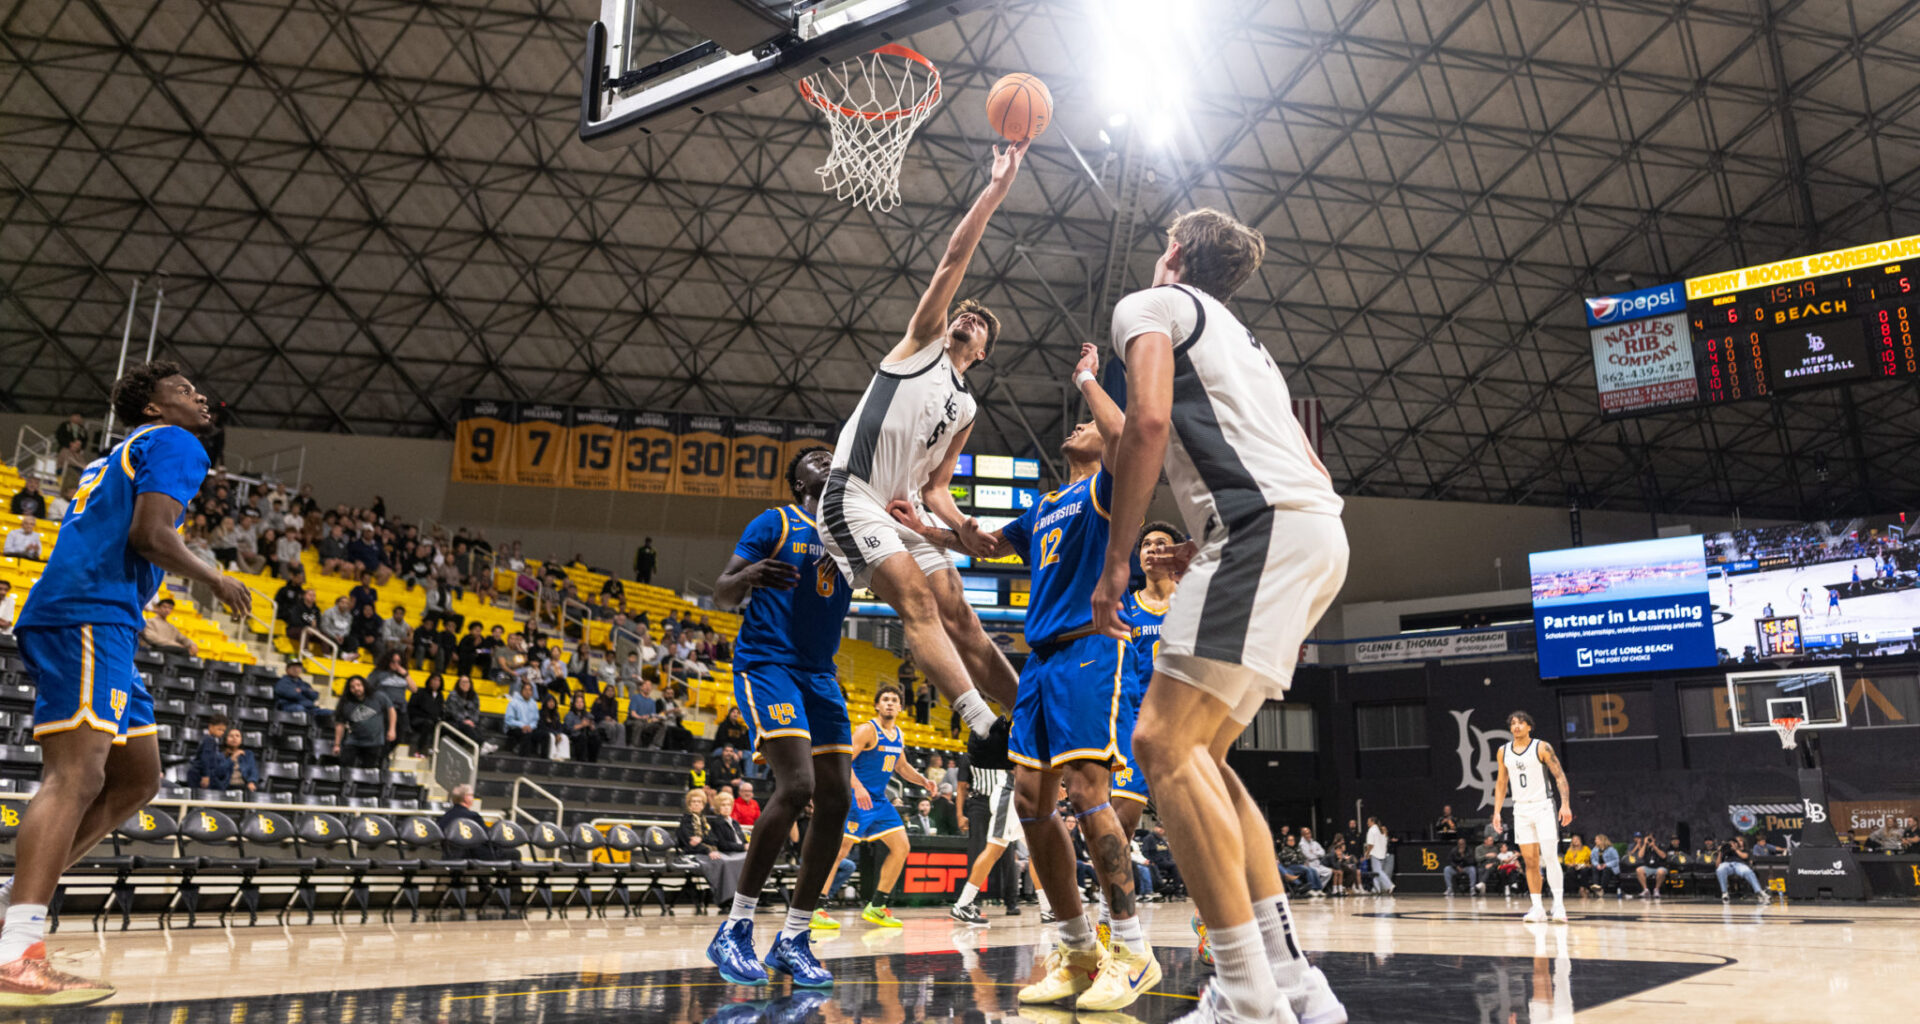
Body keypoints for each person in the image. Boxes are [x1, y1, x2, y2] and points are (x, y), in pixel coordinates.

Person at [1092, 208, 1349, 1024]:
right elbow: (1278, 457)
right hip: (1309, 535)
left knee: (1160, 743)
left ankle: (1245, 995)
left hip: (1261, 531)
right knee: (1204, 753)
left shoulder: (1150, 305)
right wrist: (1206, 545)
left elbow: (1149, 425)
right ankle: (1293, 981)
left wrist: (1117, 566)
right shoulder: (1246, 344)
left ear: (1172, 252)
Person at [898, 347, 1155, 1012]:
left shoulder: (1105, 487)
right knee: (1031, 802)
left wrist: (1090, 380)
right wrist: (927, 522)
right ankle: (1076, 950)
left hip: (1091, 649)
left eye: (1085, 424)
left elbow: (1127, 435)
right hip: (1040, 662)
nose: (1075, 428)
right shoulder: (1046, 505)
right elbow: (983, 545)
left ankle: (1130, 949)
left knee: (1088, 791)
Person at [0, 362, 249, 1006]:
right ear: (152, 410)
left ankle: (10, 911)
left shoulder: (128, 452)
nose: (197, 393)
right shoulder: (174, 442)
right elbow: (151, 536)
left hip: (107, 620)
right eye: (180, 390)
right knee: (76, 778)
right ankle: (17, 950)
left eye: (197, 386)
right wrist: (214, 578)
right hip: (88, 612)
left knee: (138, 778)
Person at [815, 143, 1028, 759]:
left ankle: (1033, 720)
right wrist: (994, 191)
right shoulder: (922, 344)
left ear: (983, 352)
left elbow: (937, 487)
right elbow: (952, 261)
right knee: (914, 598)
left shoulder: (967, 407)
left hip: (904, 510)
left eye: (980, 323)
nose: (968, 319)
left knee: (962, 616)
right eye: (966, 314)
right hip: (853, 494)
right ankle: (981, 725)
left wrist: (961, 527)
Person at [703, 446, 861, 983]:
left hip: (820, 673)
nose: (825, 457)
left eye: (828, 452)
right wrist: (749, 575)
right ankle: (735, 925)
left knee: (836, 799)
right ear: (798, 482)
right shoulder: (776, 521)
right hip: (768, 664)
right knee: (797, 785)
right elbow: (721, 594)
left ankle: (793, 935)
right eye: (813, 457)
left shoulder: (851, 531)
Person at [823, 687, 934, 929]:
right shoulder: (866, 730)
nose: (890, 704)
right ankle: (816, 907)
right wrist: (858, 787)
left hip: (879, 802)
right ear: (876, 705)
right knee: (840, 851)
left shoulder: (899, 735)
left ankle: (876, 906)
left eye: (895, 700)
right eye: (885, 699)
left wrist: (923, 781)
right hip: (856, 797)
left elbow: (902, 767)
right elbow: (843, 761)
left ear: (901, 708)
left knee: (902, 847)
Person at [1113, 522, 1182, 836]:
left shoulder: (1193, 603)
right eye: (1146, 544)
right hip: (1136, 722)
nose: (1152, 549)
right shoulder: (1125, 604)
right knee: (1121, 820)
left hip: (1184, 722)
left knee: (1190, 823)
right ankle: (1112, 888)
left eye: (1161, 543)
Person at [1490, 710, 1574, 922]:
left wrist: (1565, 805)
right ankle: (1537, 908)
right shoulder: (1503, 751)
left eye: (1521, 723)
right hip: (1521, 809)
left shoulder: (1542, 747)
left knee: (1549, 857)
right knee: (1530, 861)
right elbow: (1501, 782)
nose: (1516, 726)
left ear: (1529, 727)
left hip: (1543, 806)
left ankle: (1558, 905)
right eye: (1513, 723)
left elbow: (1559, 776)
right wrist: (1497, 811)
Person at [950, 753, 1025, 925]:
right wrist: (960, 814)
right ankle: (970, 901)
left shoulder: (1002, 749)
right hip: (981, 803)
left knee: (1007, 854)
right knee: (979, 851)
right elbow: (962, 788)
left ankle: (1011, 902)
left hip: (1005, 799)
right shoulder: (969, 756)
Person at [677, 789, 747, 906]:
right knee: (723, 861)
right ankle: (724, 899)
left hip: (705, 851)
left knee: (725, 860)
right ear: (689, 804)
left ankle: (731, 896)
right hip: (693, 854)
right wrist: (707, 848)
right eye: (693, 802)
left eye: (699, 802)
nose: (696, 804)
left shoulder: (704, 821)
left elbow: (713, 839)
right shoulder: (686, 821)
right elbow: (690, 843)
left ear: (703, 805)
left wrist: (702, 839)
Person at [332, 675, 394, 769]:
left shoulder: (378, 696)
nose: (356, 688)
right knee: (345, 767)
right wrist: (337, 744)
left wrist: (392, 729)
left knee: (368, 772)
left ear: (364, 685)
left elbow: (391, 710)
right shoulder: (345, 703)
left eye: (358, 685)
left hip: (374, 742)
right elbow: (340, 724)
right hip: (354, 741)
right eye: (352, 687)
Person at [195, 727, 260, 794]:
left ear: (241, 740)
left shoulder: (248, 754)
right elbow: (219, 773)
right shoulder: (219, 755)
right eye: (231, 736)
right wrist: (232, 758)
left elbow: (253, 770)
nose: (234, 738)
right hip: (226, 788)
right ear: (225, 740)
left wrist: (251, 781)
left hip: (244, 787)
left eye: (237, 736)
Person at [1715, 835, 1770, 904]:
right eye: (1731, 843)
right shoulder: (1727, 851)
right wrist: (1720, 852)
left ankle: (1758, 891)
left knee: (1748, 871)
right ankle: (1724, 893)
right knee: (1720, 869)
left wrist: (1736, 849)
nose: (1733, 844)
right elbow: (1717, 865)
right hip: (1727, 864)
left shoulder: (1745, 850)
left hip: (1739, 865)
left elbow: (1745, 856)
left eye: (1739, 841)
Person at [407, 675, 447, 754]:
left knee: (445, 726)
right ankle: (420, 750)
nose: (436, 682)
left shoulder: (440, 696)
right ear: (429, 680)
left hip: (433, 720)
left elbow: (440, 711)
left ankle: (440, 752)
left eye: (438, 680)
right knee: (428, 723)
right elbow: (411, 708)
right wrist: (428, 716)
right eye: (434, 680)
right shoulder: (420, 692)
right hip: (418, 719)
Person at [502, 682, 541, 756]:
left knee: (544, 735)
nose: (528, 692)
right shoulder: (513, 703)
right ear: (521, 691)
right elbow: (509, 720)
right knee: (526, 734)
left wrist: (530, 726)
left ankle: (544, 759)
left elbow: (535, 720)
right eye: (525, 689)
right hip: (514, 728)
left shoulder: (534, 704)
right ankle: (524, 757)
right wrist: (522, 725)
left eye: (530, 690)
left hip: (529, 728)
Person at [562, 692, 600, 764]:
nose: (580, 704)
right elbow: (568, 729)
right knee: (582, 737)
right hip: (574, 736)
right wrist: (582, 725)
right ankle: (581, 760)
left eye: (581, 702)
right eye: (577, 702)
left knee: (596, 737)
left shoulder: (587, 714)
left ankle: (593, 760)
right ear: (574, 704)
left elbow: (593, 725)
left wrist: (591, 725)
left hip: (586, 734)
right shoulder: (570, 715)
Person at [1631, 834, 1670, 898]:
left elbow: (1663, 856)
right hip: (1648, 867)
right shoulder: (1646, 847)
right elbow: (1640, 856)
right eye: (1648, 839)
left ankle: (1656, 890)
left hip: (1659, 867)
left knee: (1661, 872)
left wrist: (1654, 847)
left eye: (1651, 839)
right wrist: (1644, 844)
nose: (1649, 840)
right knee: (1639, 870)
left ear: (1654, 839)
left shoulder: (1660, 845)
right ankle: (1646, 890)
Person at [1364, 817, 1394, 894]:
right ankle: (1377, 889)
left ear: (1372, 821)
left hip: (1375, 854)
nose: (1367, 823)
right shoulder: (1381, 830)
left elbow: (1370, 844)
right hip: (1382, 854)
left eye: (1368, 821)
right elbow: (1385, 842)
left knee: (1378, 871)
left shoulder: (1372, 830)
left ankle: (1389, 885)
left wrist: (1367, 853)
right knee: (1375, 872)